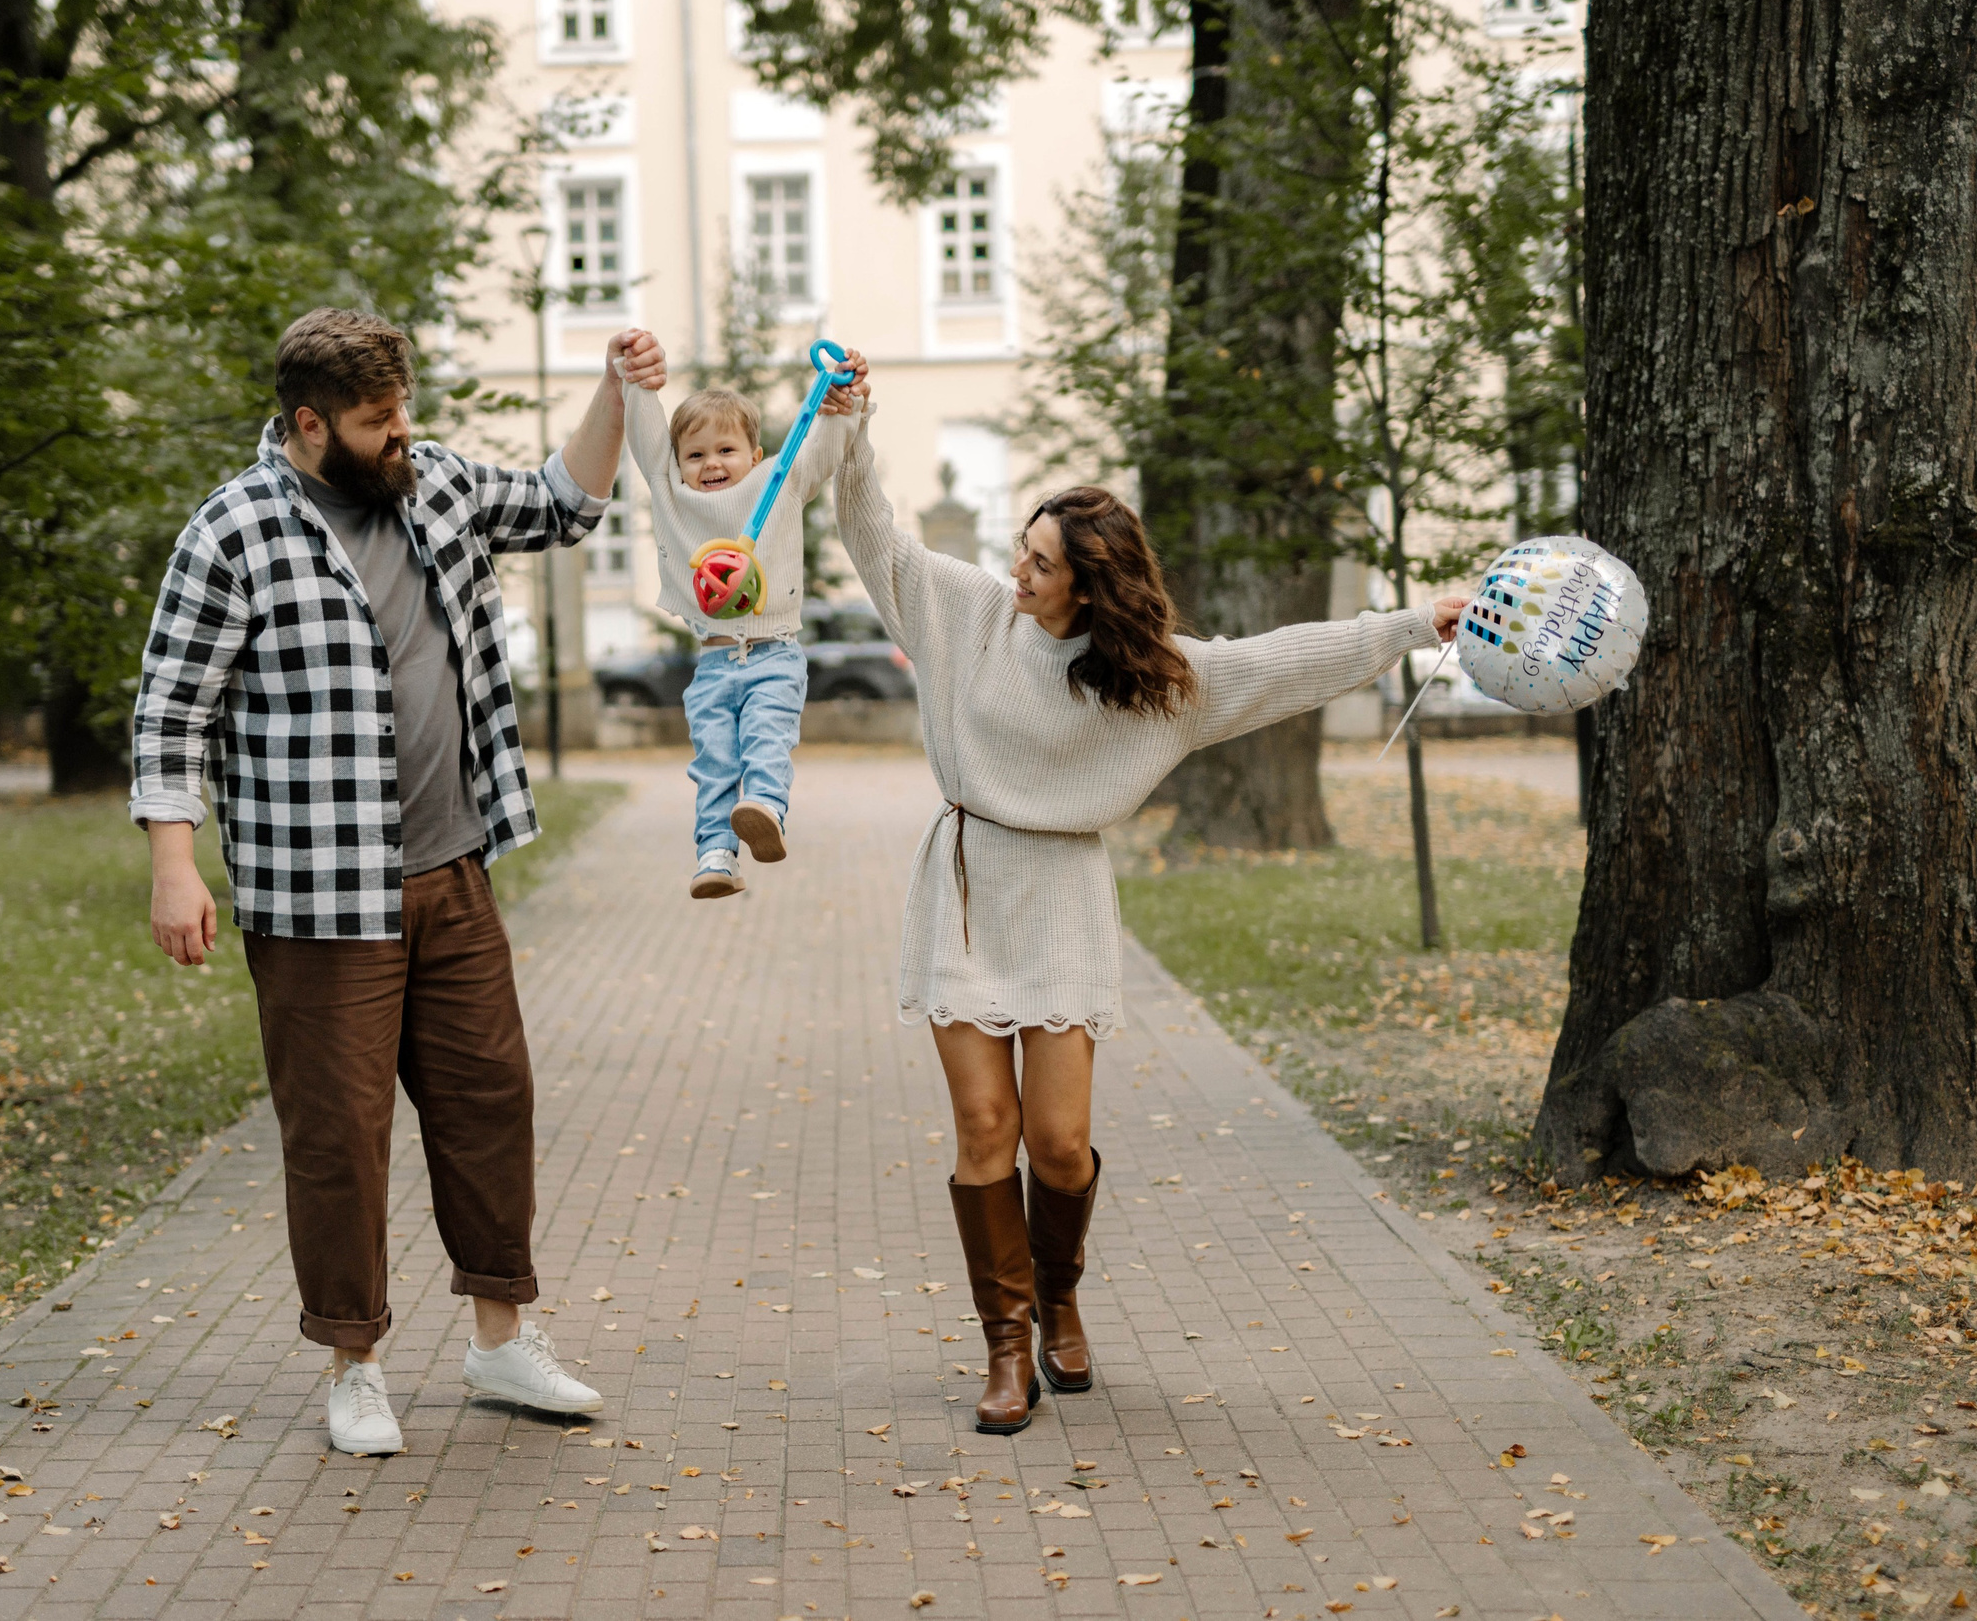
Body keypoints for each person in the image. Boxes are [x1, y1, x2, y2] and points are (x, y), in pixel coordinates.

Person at [828, 355, 1466, 1434]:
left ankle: (1060, 1297)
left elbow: (1285, 660)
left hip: (1064, 893)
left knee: (1060, 1143)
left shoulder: (1158, 682)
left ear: (1089, 585)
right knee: (985, 1124)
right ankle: (1003, 1348)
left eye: (1038, 563)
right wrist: (854, 426)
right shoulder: (967, 615)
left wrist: (1413, 624)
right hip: (971, 883)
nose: (1016, 572)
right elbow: (874, 535)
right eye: (1020, 551)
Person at [129, 308, 663, 1454]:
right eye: (378, 420)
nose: (401, 434)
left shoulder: (438, 488)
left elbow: (564, 501)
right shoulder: (233, 531)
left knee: (488, 1106)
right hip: (317, 900)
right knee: (340, 1136)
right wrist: (175, 869)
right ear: (310, 424)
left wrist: (615, 390)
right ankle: (354, 1363)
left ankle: (499, 1342)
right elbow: (170, 710)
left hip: (451, 872)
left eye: (404, 410)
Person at [620, 339, 858, 899]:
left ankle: (766, 810)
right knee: (714, 761)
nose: (711, 464)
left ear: (755, 456)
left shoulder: (779, 482)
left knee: (766, 737)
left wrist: (847, 404)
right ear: (677, 464)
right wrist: (637, 381)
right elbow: (647, 438)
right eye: (695, 454)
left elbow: (822, 448)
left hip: (775, 654)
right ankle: (715, 856)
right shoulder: (670, 494)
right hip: (713, 663)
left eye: (725, 449)